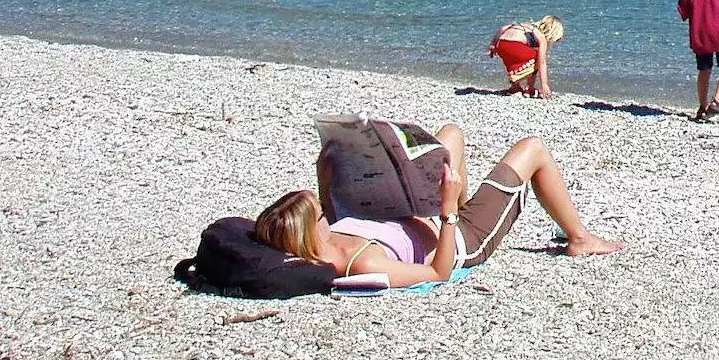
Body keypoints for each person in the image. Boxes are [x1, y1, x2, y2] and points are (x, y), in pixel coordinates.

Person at [254, 124, 622, 287]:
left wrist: (328, 172)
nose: (324, 209)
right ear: (309, 233)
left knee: (450, 135)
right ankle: (580, 239)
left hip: (422, 213)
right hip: (459, 238)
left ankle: (463, 199)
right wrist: (448, 212)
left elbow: (338, 217)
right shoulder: (361, 261)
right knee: (533, 148)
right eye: (319, 211)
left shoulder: (331, 237)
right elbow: (438, 274)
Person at [488, 15, 563, 98]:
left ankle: (515, 87)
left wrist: (492, 45)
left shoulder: (527, 26)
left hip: (500, 44)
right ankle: (529, 88)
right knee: (537, 58)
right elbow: (542, 62)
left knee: (512, 62)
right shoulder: (540, 36)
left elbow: (503, 28)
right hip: (514, 46)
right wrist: (544, 85)